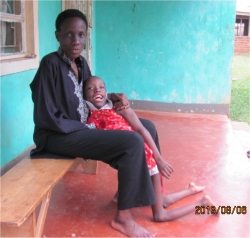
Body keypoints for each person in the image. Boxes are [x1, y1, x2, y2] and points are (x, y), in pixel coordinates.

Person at [30, 9, 159, 238]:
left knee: (146, 126)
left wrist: (115, 100)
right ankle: (123, 219)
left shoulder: (81, 63)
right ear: (57, 35)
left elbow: (90, 96)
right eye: (69, 34)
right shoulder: (49, 64)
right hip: (56, 135)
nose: (76, 40)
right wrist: (85, 127)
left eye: (81, 34)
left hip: (82, 128)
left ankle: (153, 194)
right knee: (130, 141)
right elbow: (46, 114)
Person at [84, 75, 219, 222]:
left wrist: (159, 159)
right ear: (84, 94)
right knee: (162, 200)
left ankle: (202, 204)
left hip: (147, 160)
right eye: (91, 88)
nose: (97, 90)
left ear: (107, 92)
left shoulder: (119, 108)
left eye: (101, 87)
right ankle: (190, 190)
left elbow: (141, 129)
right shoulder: (89, 114)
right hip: (135, 157)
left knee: (160, 215)